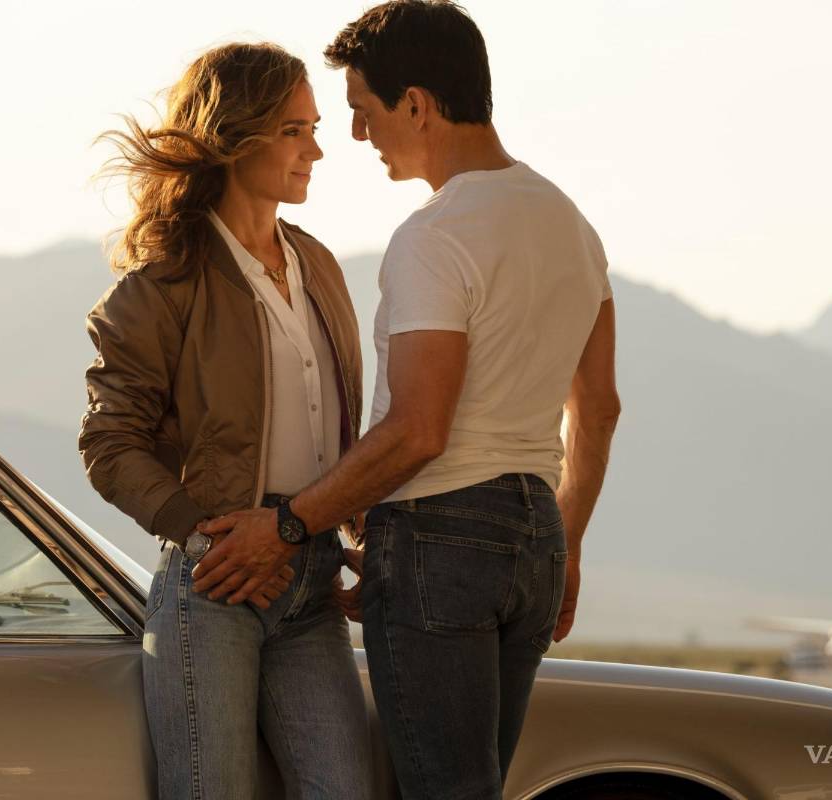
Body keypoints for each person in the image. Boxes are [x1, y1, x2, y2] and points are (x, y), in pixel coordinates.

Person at [190, 2, 621, 798]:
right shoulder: (574, 227)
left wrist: (290, 524)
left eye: (362, 111)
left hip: (441, 540)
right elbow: (597, 411)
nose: (355, 136)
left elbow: (420, 430)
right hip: (537, 539)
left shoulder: (436, 235)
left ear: (416, 104)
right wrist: (569, 542)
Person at [79, 42, 370, 800]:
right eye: (294, 130)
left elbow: (345, 436)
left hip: (311, 579)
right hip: (215, 585)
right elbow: (109, 445)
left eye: (314, 128)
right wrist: (204, 531)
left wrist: (368, 539)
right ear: (236, 135)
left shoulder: (322, 268)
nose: (317, 148)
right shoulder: (163, 284)